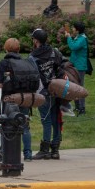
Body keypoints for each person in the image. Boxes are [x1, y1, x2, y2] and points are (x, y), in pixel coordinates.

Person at [0, 37, 37, 162]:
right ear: (18, 49)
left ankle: (3, 153)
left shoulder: (4, 63)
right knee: (24, 125)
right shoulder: (26, 62)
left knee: (6, 125)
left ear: (6, 49)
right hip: (24, 98)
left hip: (9, 98)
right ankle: (28, 154)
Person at [30, 28, 65, 160]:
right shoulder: (54, 51)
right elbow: (62, 65)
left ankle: (44, 150)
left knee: (46, 120)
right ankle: (55, 150)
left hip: (43, 91)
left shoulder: (33, 56)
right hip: (57, 89)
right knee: (56, 119)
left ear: (36, 41)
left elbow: (33, 75)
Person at [65, 21, 89, 115]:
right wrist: (70, 37)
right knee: (74, 86)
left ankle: (82, 108)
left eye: (73, 27)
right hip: (75, 65)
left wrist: (68, 37)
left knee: (79, 87)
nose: (72, 29)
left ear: (77, 30)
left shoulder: (82, 39)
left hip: (80, 66)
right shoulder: (78, 37)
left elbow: (73, 47)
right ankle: (77, 106)